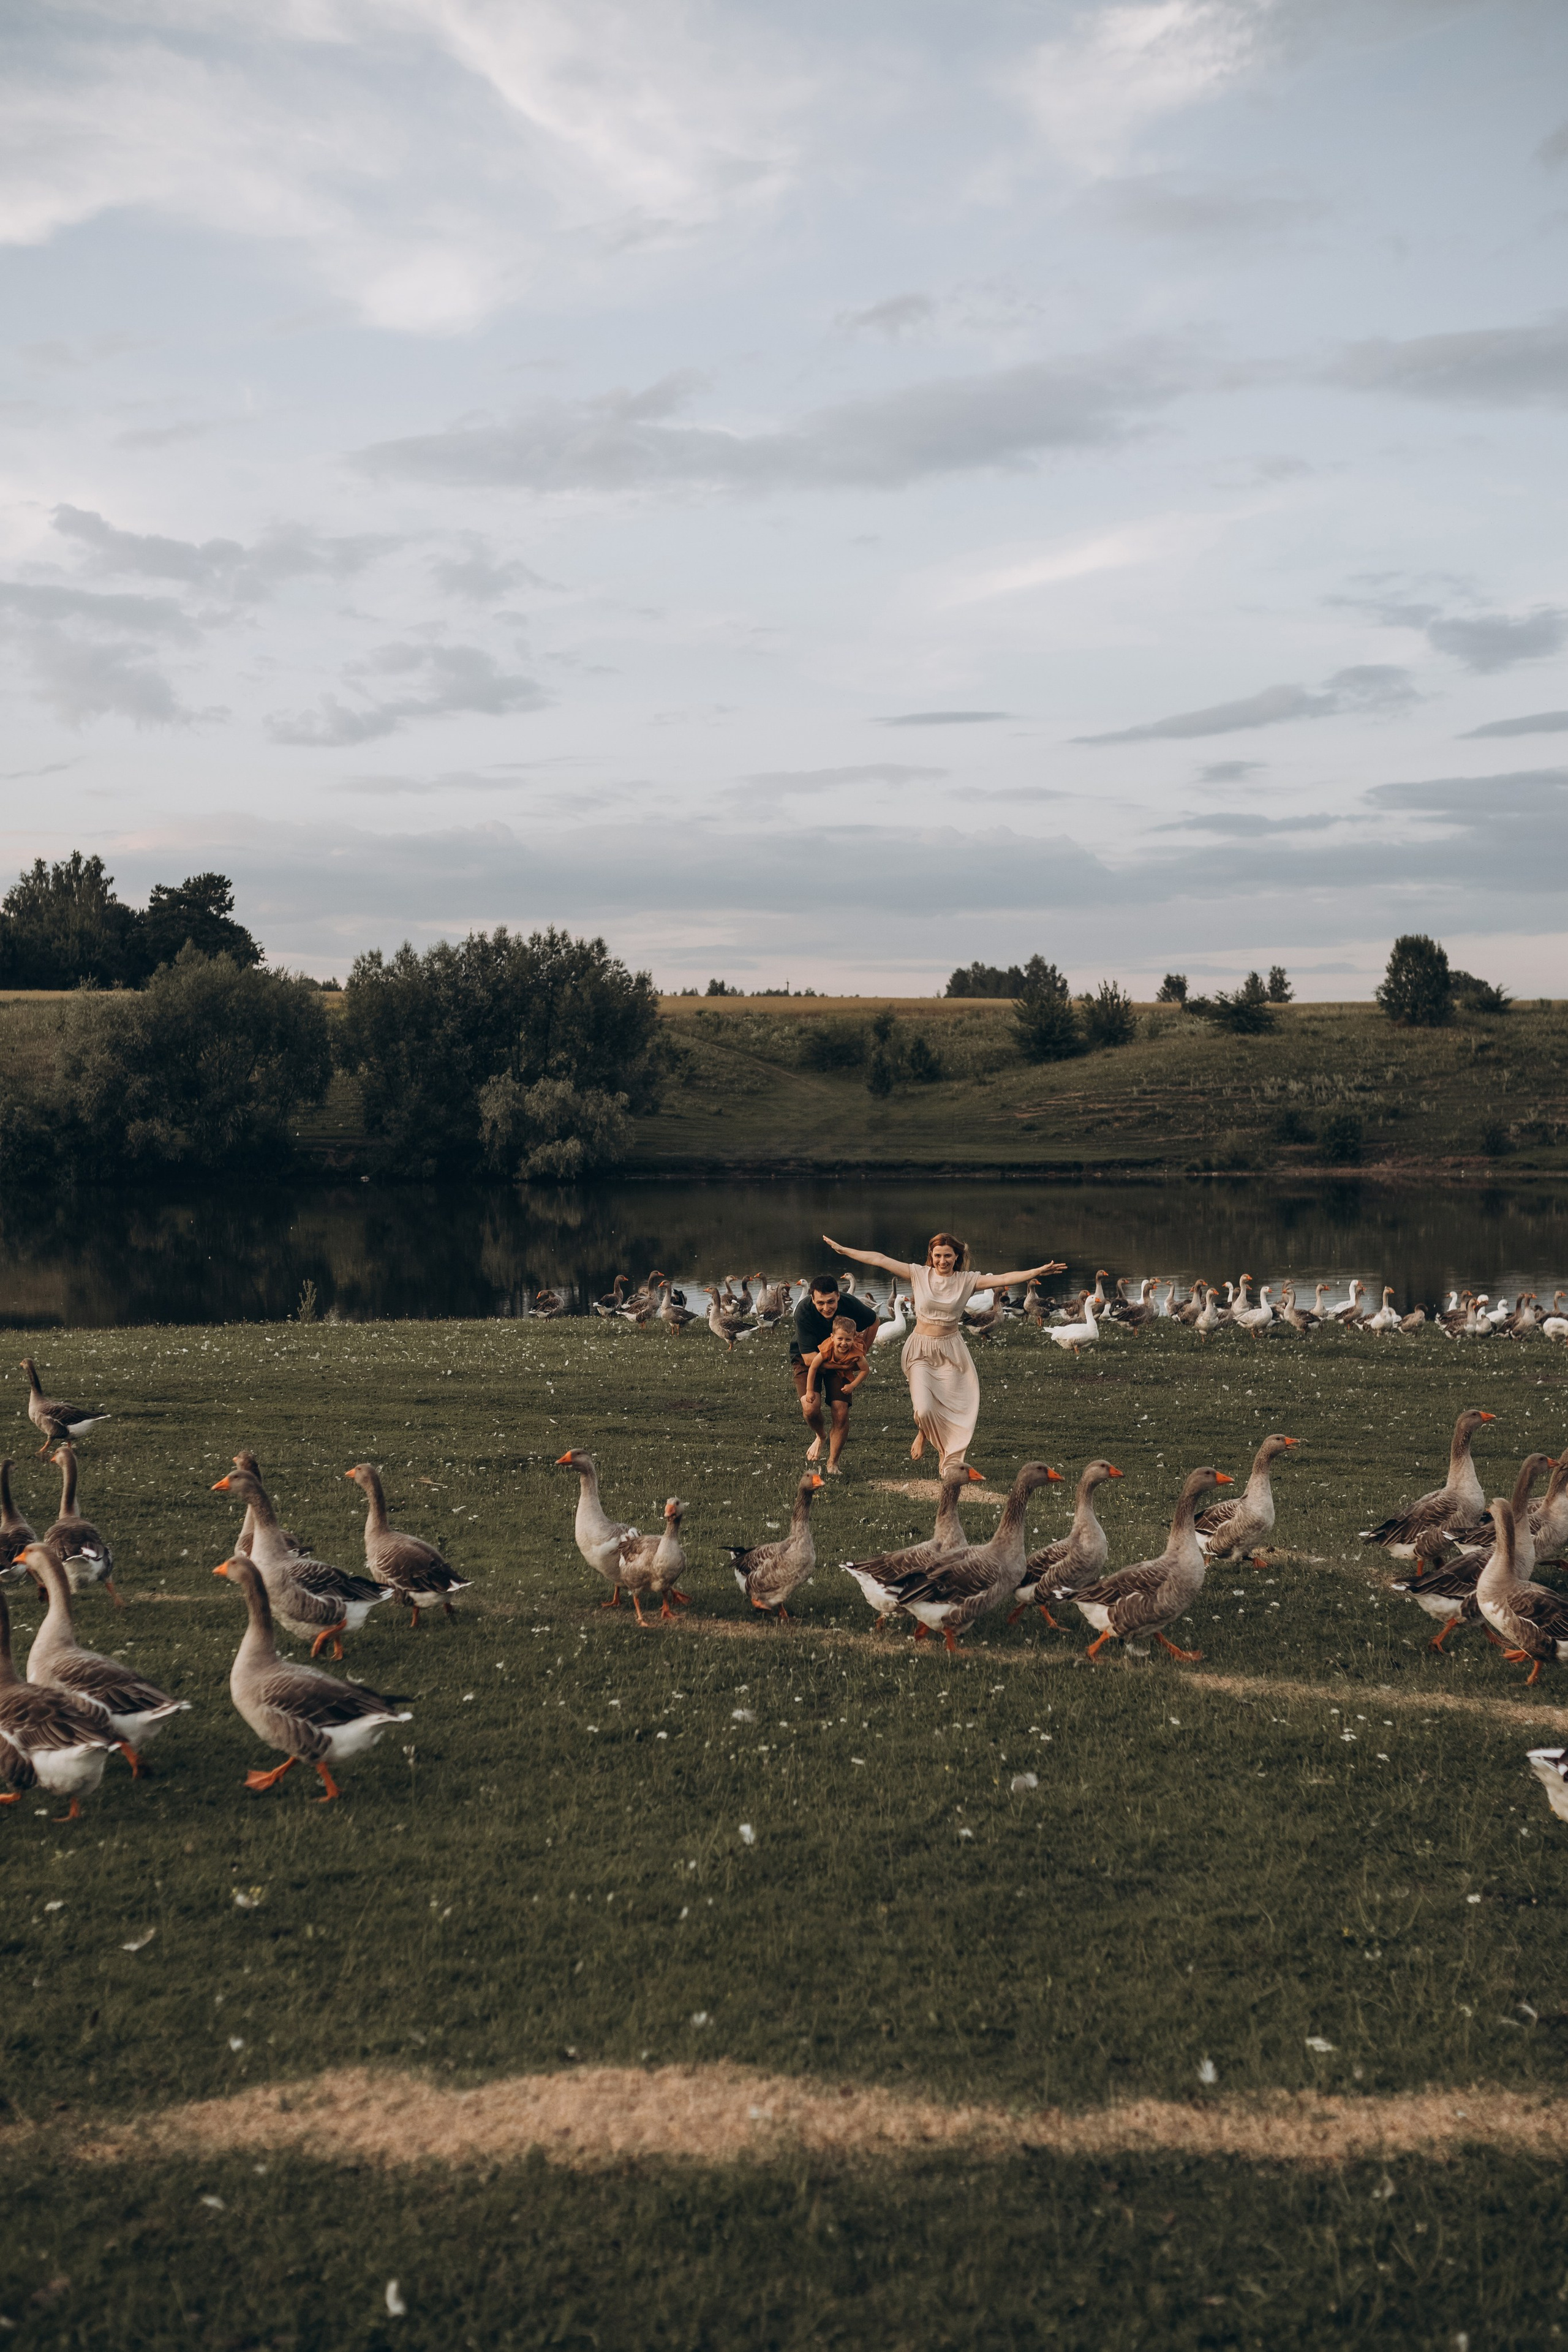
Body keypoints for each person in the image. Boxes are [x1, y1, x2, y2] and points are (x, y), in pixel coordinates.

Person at [821, 1231, 1065, 1477]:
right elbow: (880, 1259)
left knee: (955, 1408)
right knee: (924, 1410)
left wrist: (1036, 1271)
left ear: (957, 1256)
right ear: (931, 1255)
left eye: (948, 1255)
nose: (942, 1260)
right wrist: (845, 1250)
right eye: (937, 1255)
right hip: (920, 1349)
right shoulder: (919, 1274)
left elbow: (1004, 1277)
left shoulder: (967, 1280)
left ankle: (947, 1459)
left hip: (951, 1350)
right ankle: (925, 1433)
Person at [791, 1275, 879, 1474]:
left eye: (831, 1301)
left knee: (841, 1412)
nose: (826, 1308)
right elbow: (809, 1360)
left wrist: (860, 1353)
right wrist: (842, 1364)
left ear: (838, 1296)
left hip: (841, 1356)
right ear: (812, 1299)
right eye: (820, 1303)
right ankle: (821, 1435)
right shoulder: (803, 1311)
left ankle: (833, 1463)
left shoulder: (850, 1303)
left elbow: (874, 1321)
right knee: (810, 1408)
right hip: (809, 1358)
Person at [803, 1313, 872, 1412]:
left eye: (848, 1340)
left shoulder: (856, 1353)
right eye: (840, 1339)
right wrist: (810, 1390)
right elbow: (813, 1367)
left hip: (843, 1372)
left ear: (854, 1339)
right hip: (825, 1367)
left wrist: (852, 1385)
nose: (844, 1343)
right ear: (832, 1337)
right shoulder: (827, 1349)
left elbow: (865, 1370)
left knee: (841, 1407)